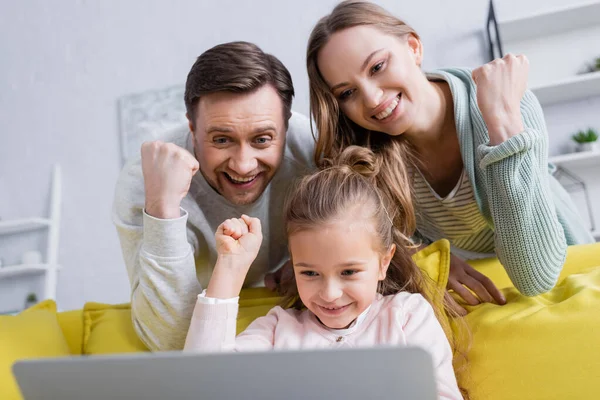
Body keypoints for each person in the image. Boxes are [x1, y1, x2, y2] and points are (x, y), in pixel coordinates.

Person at [305, 1, 593, 311]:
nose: (373, 99)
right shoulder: (368, 155)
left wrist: (501, 121)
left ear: (413, 47)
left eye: (377, 67)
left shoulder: (505, 104)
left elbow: (535, 276)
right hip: (483, 297)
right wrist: (431, 259)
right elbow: (381, 243)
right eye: (347, 93)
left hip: (568, 275)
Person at [184, 146, 464, 400]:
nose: (330, 294)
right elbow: (203, 384)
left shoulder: (406, 316)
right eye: (310, 274)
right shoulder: (277, 330)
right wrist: (231, 269)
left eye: (349, 272)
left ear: (383, 262)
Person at [112, 41, 315, 351]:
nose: (243, 165)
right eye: (222, 139)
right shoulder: (145, 182)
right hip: (202, 318)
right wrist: (162, 210)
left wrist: (312, 260)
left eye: (262, 139)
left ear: (286, 128)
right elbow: (170, 340)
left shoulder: (313, 150)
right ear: (192, 129)